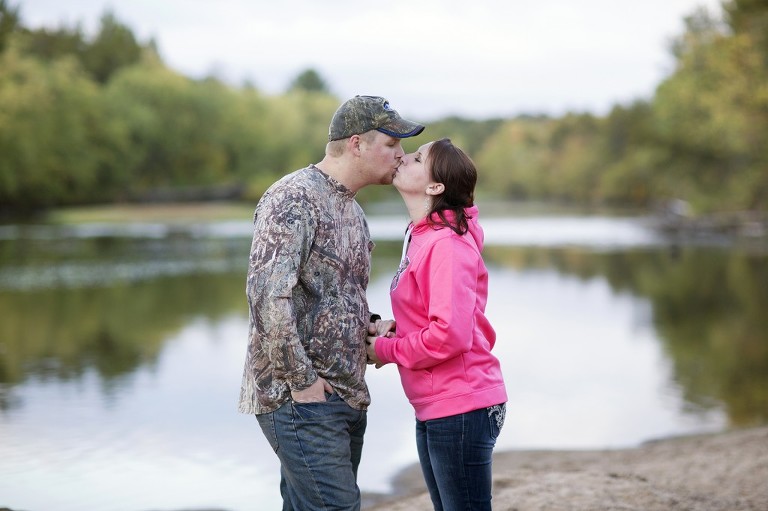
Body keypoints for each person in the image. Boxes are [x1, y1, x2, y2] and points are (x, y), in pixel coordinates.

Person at [238, 95, 425, 511]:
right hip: (299, 398)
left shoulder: (353, 211)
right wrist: (304, 383)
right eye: (392, 145)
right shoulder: (293, 198)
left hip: (345, 394)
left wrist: (370, 324)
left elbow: (336, 296)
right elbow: (268, 297)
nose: (401, 154)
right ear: (356, 144)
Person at [366, 138, 508, 511]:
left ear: (435, 187)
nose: (402, 158)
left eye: (415, 159)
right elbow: (436, 319)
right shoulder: (422, 235)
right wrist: (396, 328)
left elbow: (450, 336)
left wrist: (384, 350)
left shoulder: (446, 245)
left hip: (461, 404)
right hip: (438, 404)